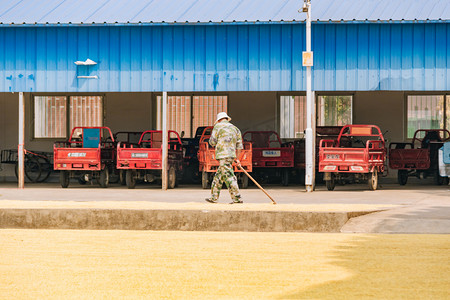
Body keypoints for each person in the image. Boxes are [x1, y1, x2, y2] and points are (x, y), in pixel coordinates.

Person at [205, 112, 243, 204]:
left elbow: (212, 142)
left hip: (222, 156)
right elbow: (239, 146)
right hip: (231, 156)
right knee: (218, 177)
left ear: (218, 120)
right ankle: (214, 197)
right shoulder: (236, 129)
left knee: (229, 177)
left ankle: (237, 198)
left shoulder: (217, 127)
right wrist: (237, 159)